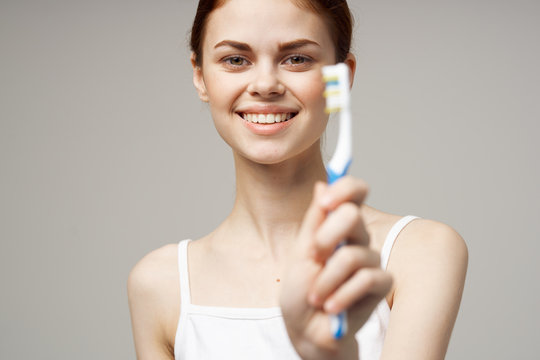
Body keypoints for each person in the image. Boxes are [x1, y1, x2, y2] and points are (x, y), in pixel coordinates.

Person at [127, 0, 468, 359]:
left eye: (297, 58)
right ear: (200, 77)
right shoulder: (159, 284)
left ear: (343, 75)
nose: (265, 84)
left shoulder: (417, 252)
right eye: (236, 59)